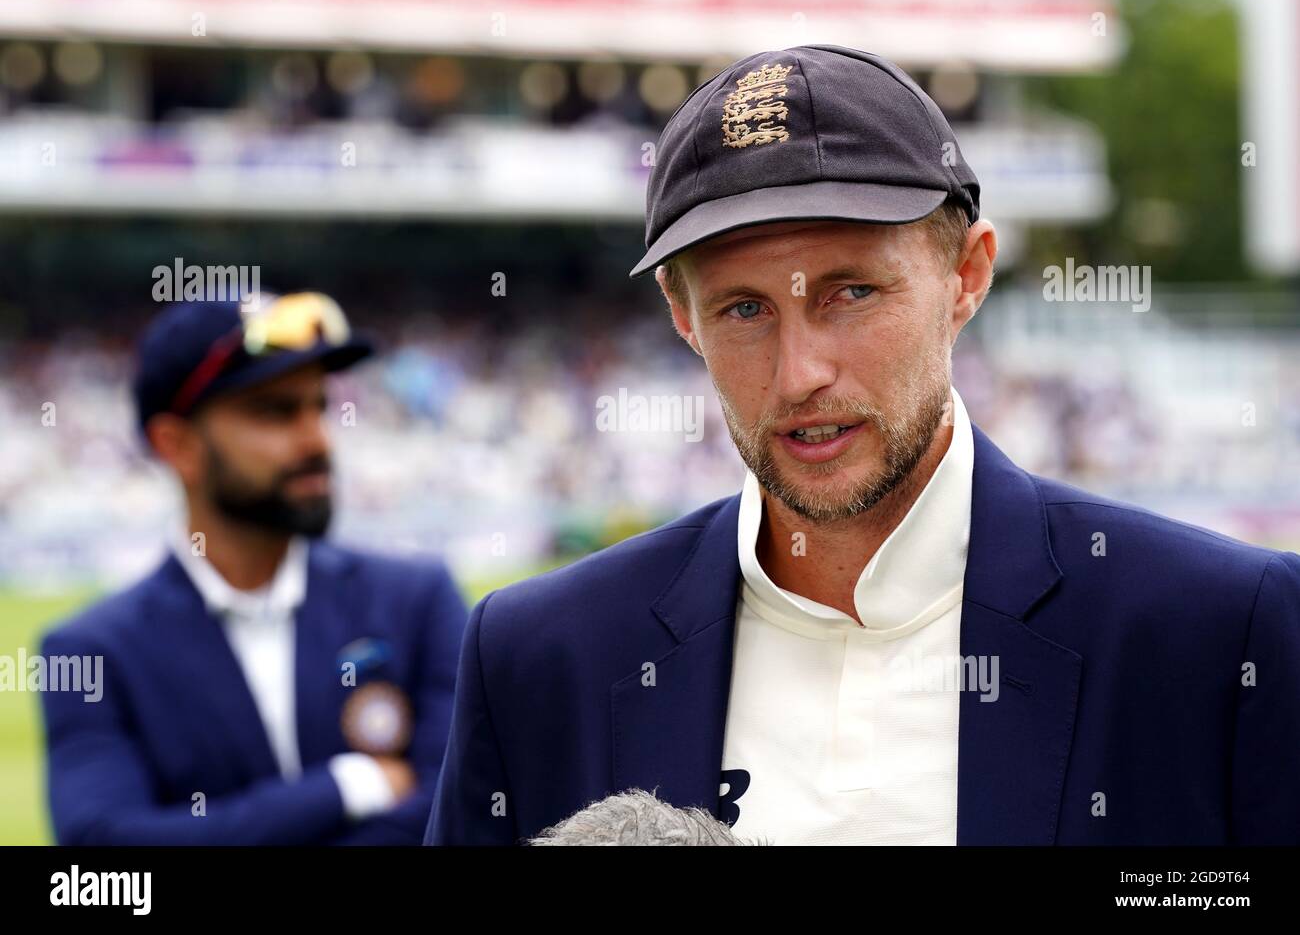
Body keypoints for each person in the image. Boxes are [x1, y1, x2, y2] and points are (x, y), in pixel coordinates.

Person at [428, 46, 1300, 845]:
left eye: (849, 292)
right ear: (681, 316)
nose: (799, 372)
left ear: (967, 275)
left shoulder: (1222, 632)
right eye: (744, 309)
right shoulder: (536, 659)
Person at [41, 292, 468, 844]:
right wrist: (347, 784)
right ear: (177, 446)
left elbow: (464, 812)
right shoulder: (92, 651)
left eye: (319, 406)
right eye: (275, 411)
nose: (316, 439)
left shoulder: (418, 601)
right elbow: (102, 860)